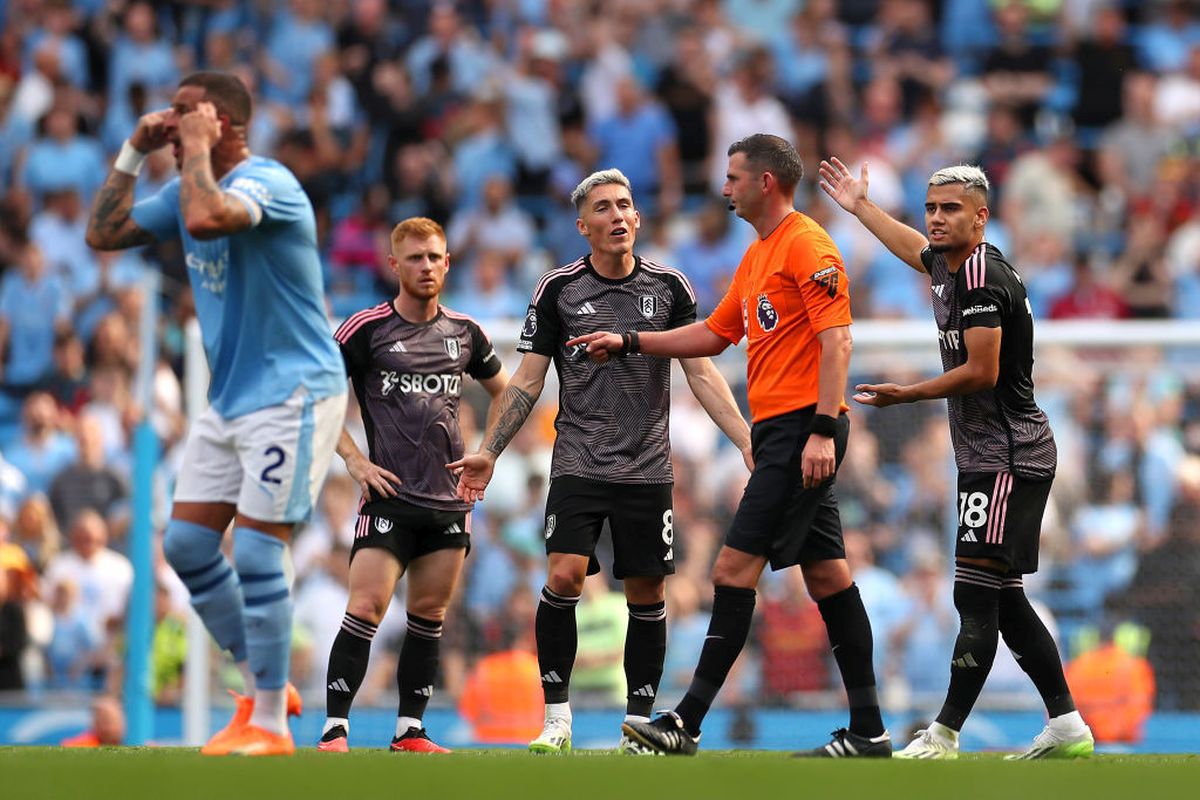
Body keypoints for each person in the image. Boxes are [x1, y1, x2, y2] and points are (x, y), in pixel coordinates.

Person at [570, 134, 889, 758]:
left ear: (765, 182)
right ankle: (870, 729)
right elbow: (717, 335)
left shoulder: (808, 244)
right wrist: (631, 341)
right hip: (784, 432)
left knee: (730, 570)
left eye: (735, 177)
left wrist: (823, 429)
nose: (725, 188)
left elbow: (838, 342)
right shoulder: (759, 255)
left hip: (803, 430)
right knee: (828, 577)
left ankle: (685, 722)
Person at [85, 71, 348, 756]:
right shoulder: (183, 186)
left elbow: (206, 217)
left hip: (294, 391)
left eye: (183, 114)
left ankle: (268, 724)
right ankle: (265, 687)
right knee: (188, 547)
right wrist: (131, 153)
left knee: (259, 549)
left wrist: (194, 151)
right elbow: (103, 232)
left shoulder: (270, 184)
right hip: (231, 397)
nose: (169, 123)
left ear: (222, 122)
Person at [450, 168, 752, 754]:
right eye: (604, 208)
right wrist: (489, 451)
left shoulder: (670, 288)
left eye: (625, 205)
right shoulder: (557, 290)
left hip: (648, 468)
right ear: (583, 225)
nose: (617, 216)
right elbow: (527, 380)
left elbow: (701, 369)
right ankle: (557, 720)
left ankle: (637, 727)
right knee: (563, 576)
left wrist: (743, 437)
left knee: (647, 594)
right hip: (578, 463)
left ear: (638, 218)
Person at [817, 156, 1094, 760]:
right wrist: (861, 208)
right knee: (1006, 597)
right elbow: (914, 248)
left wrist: (908, 394)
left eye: (951, 209)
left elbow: (982, 371)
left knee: (974, 597)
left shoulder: (980, 278)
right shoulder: (949, 265)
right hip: (995, 455)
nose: (937, 219)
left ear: (982, 217)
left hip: (1005, 457)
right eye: (932, 208)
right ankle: (1067, 723)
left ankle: (943, 734)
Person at [316, 217, 508, 753]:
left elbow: (508, 392)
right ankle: (335, 728)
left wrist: (487, 453)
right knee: (367, 607)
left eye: (435, 257)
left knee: (429, 615)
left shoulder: (466, 333)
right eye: (416, 258)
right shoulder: (366, 329)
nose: (426, 266)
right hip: (389, 497)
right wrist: (354, 459)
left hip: (450, 501)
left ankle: (410, 730)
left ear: (448, 263)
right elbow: (318, 395)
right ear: (394, 265)